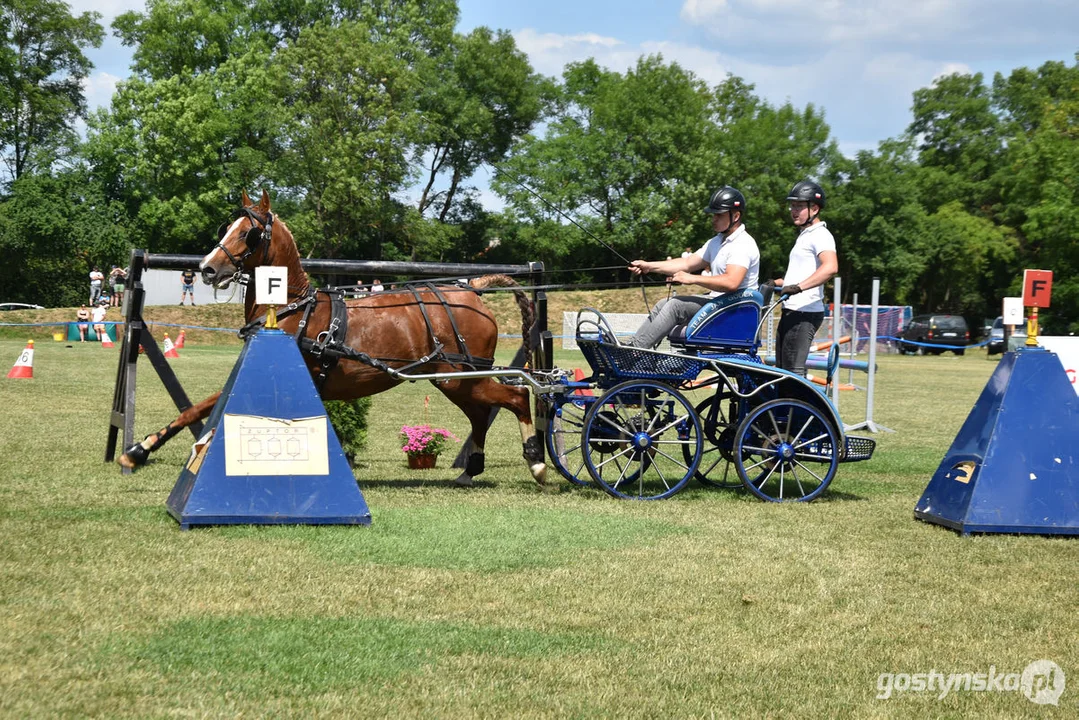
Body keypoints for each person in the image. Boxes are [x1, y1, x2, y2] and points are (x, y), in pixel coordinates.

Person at [624, 186, 760, 349]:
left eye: (719, 215)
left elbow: (731, 282)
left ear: (736, 215)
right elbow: (687, 263)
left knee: (675, 306)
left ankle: (636, 351)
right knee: (663, 303)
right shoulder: (716, 241)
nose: (713, 219)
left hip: (734, 310)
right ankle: (633, 346)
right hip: (719, 304)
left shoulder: (743, 244)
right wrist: (648, 266)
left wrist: (693, 278)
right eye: (713, 214)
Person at [764, 180, 838, 377]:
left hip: (805, 312)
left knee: (792, 374)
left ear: (814, 208)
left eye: (798, 206)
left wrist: (799, 287)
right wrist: (778, 283)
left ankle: (796, 408)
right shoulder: (805, 235)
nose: (793, 210)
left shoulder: (821, 234)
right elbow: (801, 273)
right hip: (793, 310)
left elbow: (831, 267)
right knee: (781, 371)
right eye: (792, 206)